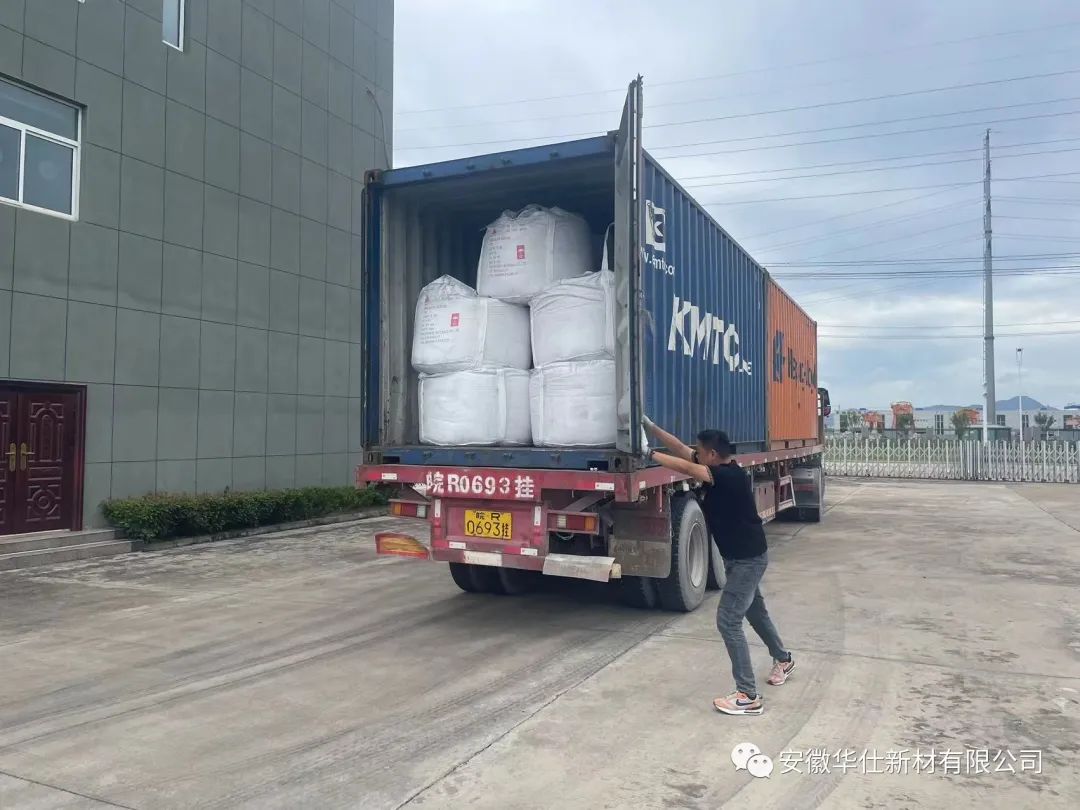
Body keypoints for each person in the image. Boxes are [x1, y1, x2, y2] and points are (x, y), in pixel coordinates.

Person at [642, 417, 794, 716]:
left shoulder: (728, 476)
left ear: (712, 454)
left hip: (748, 560)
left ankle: (748, 695)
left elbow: (688, 468)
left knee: (728, 620)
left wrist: (649, 454)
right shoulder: (717, 466)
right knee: (755, 612)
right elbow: (682, 451)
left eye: (700, 451)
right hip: (742, 558)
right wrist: (649, 426)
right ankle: (784, 658)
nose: (695, 454)